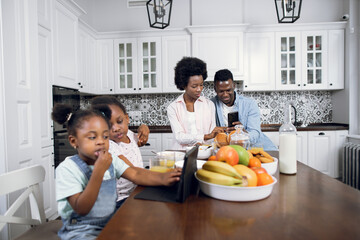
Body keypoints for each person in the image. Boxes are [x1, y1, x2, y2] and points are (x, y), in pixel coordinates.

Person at [52, 104, 181, 240]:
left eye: (105, 136)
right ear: (74, 141)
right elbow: (81, 208)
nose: (101, 142)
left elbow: (135, 174)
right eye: (92, 137)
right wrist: (98, 172)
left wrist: (164, 178)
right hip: (81, 231)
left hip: (109, 221)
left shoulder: (111, 159)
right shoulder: (67, 169)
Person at [90, 96, 144, 209]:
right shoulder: (109, 146)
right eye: (108, 126)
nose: (116, 128)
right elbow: (134, 173)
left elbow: (141, 141)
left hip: (134, 191)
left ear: (127, 118)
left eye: (119, 121)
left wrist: (144, 128)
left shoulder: (128, 134)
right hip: (118, 201)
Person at [211, 69, 277, 151]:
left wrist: (242, 133)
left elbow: (255, 134)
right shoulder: (210, 104)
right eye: (221, 91)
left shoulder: (249, 104)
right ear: (215, 89)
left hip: (257, 150)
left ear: (234, 86)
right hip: (229, 152)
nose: (225, 95)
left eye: (228, 90)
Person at [167, 57, 224, 150]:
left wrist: (214, 135)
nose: (199, 89)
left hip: (205, 152)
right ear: (184, 85)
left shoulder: (209, 105)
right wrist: (205, 136)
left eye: (201, 85)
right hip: (181, 154)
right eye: (194, 86)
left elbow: (212, 134)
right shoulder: (173, 107)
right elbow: (179, 137)